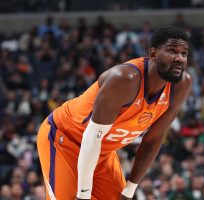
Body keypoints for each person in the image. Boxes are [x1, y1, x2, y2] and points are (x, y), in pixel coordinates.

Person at [36, 26, 192, 200]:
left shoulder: (181, 85)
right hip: (64, 139)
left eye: (184, 53)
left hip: (101, 150)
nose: (179, 58)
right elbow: (92, 136)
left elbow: (153, 139)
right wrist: (83, 195)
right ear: (154, 54)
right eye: (172, 51)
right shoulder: (125, 79)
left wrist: (130, 189)